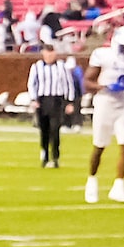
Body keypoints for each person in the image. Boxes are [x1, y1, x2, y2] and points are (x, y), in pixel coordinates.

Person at [82, 15, 124, 204]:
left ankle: (119, 186)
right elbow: (87, 82)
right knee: (100, 145)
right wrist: (104, 87)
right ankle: (92, 181)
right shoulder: (104, 56)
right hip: (105, 103)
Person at [25, 35, 78, 169]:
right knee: (44, 129)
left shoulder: (61, 66)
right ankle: (44, 154)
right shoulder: (36, 67)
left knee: (55, 129)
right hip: (42, 101)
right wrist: (33, 99)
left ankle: (55, 156)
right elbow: (32, 84)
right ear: (43, 54)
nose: (49, 56)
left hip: (57, 100)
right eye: (47, 53)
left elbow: (68, 84)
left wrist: (69, 102)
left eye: (52, 53)